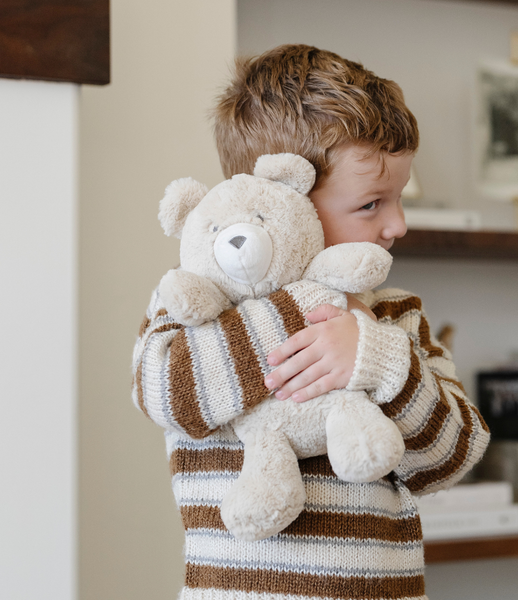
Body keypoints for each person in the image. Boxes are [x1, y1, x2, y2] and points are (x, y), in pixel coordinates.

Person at [132, 44, 490, 600]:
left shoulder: (393, 315)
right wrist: (303, 302)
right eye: (372, 204)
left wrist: (378, 359)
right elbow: (166, 395)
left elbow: (454, 456)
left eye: (397, 199)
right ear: (282, 194)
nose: (396, 224)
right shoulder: (194, 303)